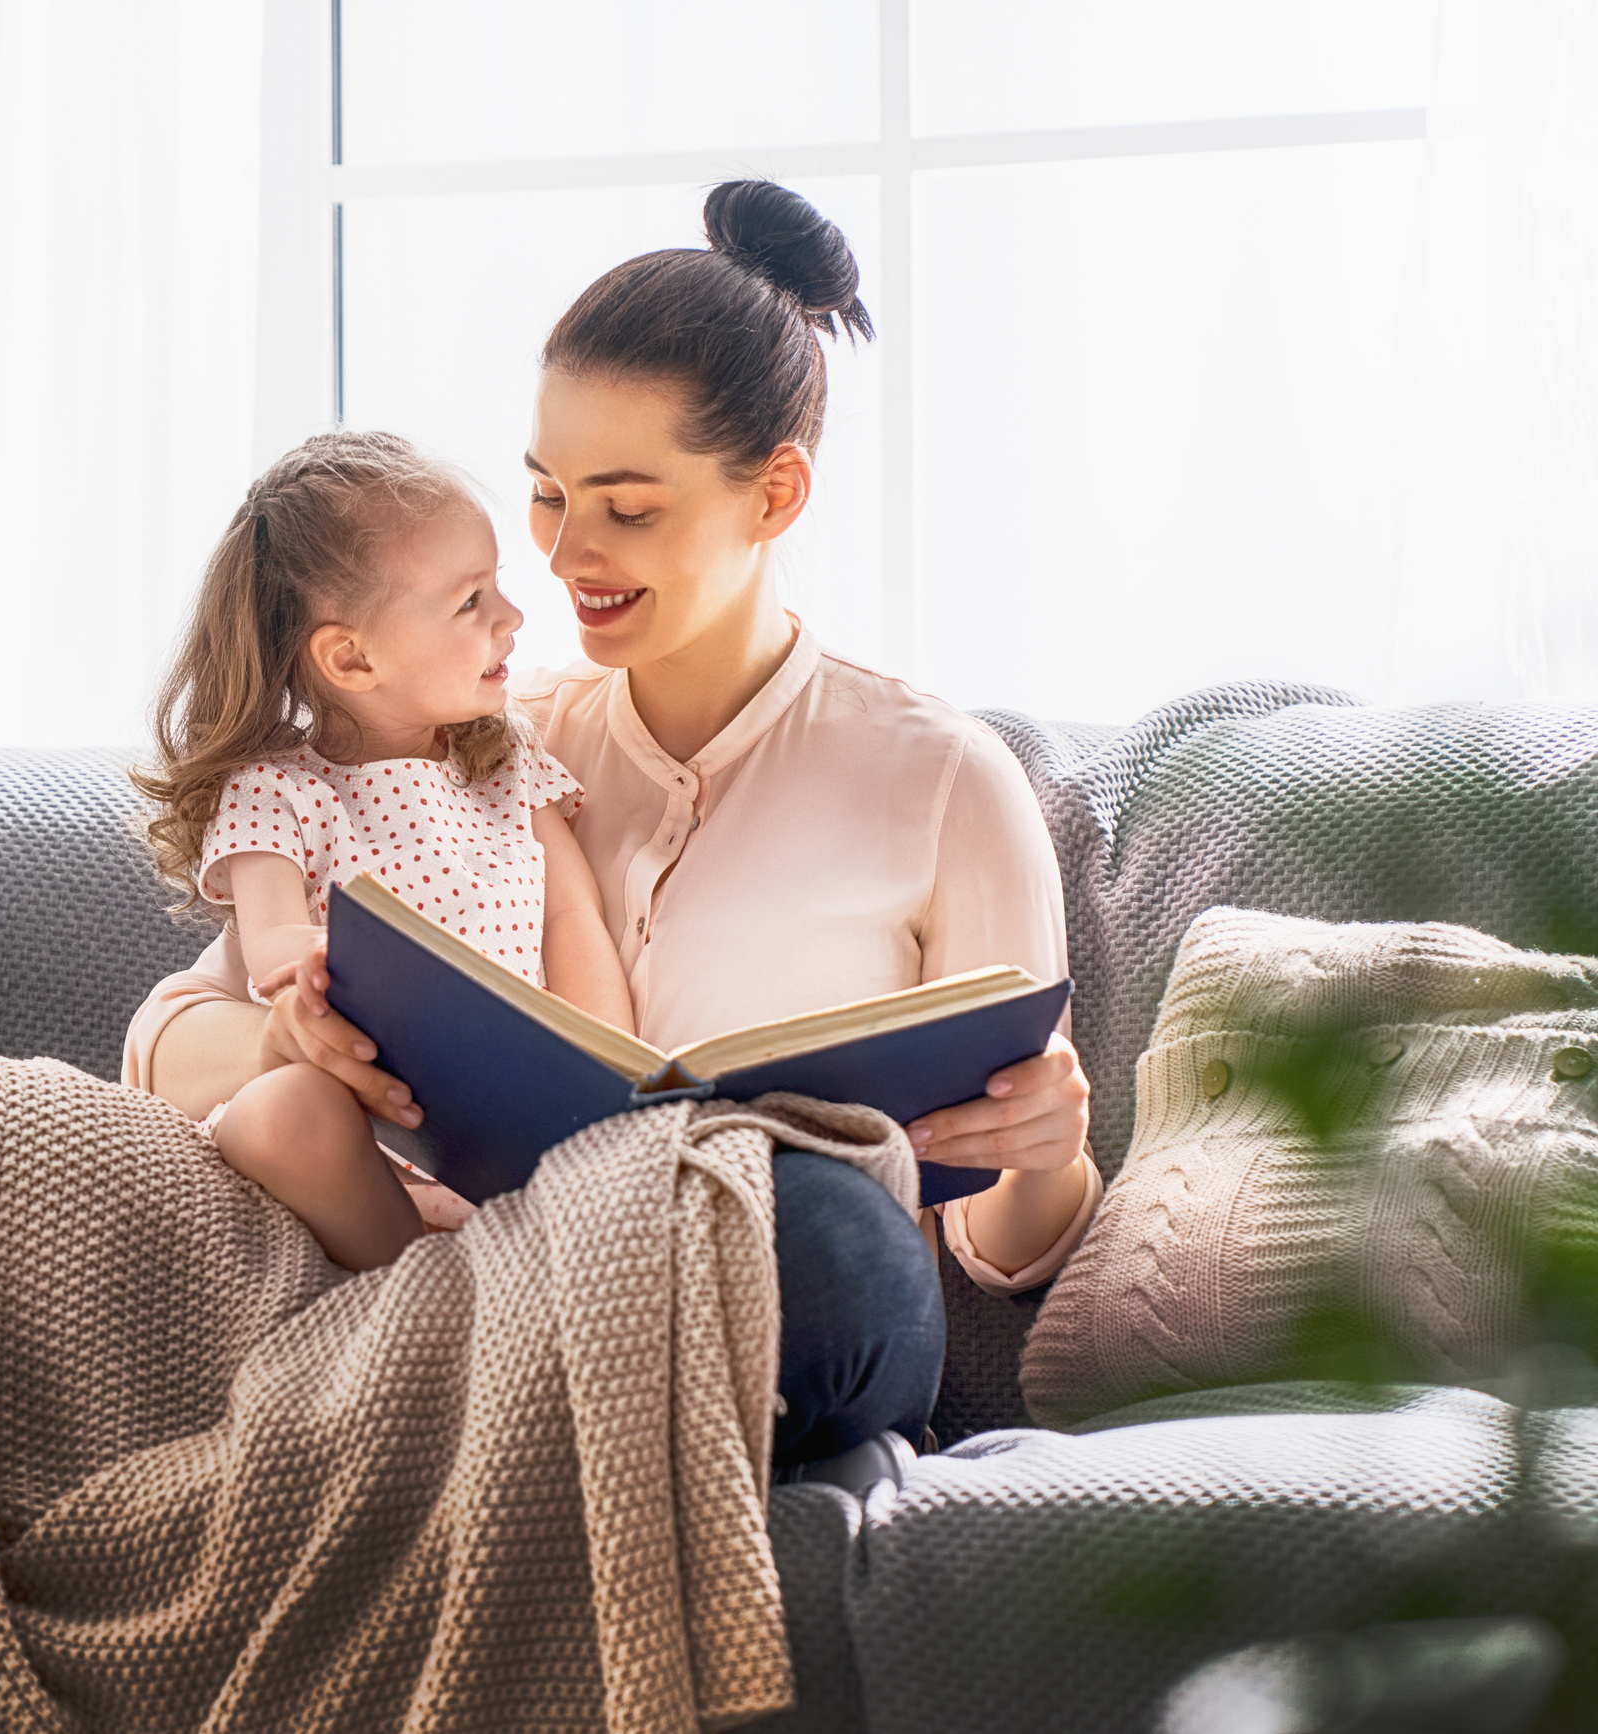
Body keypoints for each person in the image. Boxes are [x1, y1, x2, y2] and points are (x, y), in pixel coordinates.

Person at [124, 181, 1097, 1481]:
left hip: (803, 1294)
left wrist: (1052, 1150)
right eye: (546, 492)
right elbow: (164, 1045)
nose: (564, 552)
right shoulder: (472, 741)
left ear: (777, 492)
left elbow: (1003, 1248)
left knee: (822, 1228)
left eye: (626, 506)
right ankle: (502, 1404)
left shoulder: (944, 781)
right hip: (508, 1265)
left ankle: (514, 1389)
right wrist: (295, 1037)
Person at [133, 431, 634, 1272]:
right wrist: (320, 979)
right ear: (351, 657)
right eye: (471, 601)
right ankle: (426, 1300)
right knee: (284, 1109)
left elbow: (571, 912)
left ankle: (458, 1283)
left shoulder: (507, 765)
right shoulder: (281, 790)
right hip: (362, 1122)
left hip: (503, 1132)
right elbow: (276, 946)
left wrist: (609, 1080)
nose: (511, 615)